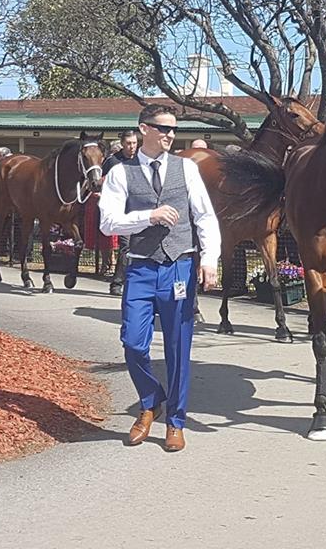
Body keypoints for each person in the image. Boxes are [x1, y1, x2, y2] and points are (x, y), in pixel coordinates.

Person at [99, 104, 220, 452]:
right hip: (140, 267)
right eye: (162, 128)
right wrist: (147, 217)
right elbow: (108, 222)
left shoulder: (187, 169)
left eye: (173, 129)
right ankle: (151, 400)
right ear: (143, 129)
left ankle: (176, 421)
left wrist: (209, 259)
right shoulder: (122, 173)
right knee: (133, 343)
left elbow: (205, 216)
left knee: (178, 348)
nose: (169, 135)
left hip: (179, 266)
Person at [106, 130, 141, 296]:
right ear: (122, 144)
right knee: (126, 246)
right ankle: (117, 283)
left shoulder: (141, 160)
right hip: (123, 211)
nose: (132, 147)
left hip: (141, 210)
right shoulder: (113, 162)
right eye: (129, 143)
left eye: (134, 143)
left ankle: (136, 282)